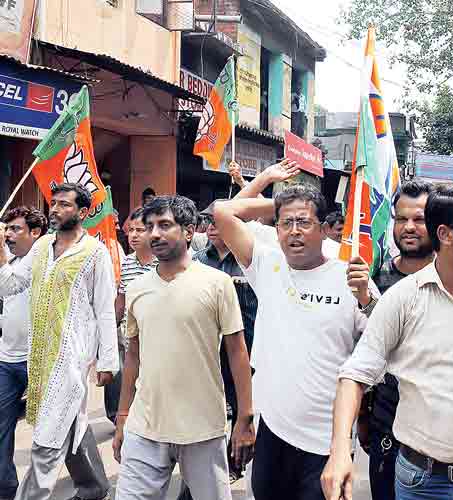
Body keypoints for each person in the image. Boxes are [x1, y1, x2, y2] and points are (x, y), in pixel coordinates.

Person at [321, 184, 453, 500]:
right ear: (446, 235)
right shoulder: (402, 299)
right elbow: (354, 376)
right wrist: (340, 450)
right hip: (420, 483)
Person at [213, 184, 372, 500]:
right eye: (286, 223)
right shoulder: (267, 265)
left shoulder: (351, 276)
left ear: (324, 228)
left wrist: (366, 298)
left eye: (304, 222)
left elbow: (380, 343)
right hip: (273, 430)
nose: (294, 232)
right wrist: (281, 202)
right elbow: (222, 211)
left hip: (328, 440)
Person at [113, 195, 254, 500]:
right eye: (149, 226)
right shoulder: (137, 289)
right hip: (145, 425)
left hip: (202, 427)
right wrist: (123, 415)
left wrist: (244, 417)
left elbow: (237, 352)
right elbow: (133, 357)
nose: (154, 234)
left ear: (189, 231)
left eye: (165, 225)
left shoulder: (217, 284)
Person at [0, 183, 117, 500]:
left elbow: (105, 309)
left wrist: (108, 361)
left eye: (64, 204)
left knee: (46, 441)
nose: (55, 209)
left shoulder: (95, 253)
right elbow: (10, 284)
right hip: (37, 359)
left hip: (70, 362)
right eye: (54, 203)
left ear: (81, 212)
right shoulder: (40, 248)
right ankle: (93, 486)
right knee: (65, 426)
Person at [358, 180, 434, 500]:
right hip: (386, 425)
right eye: (402, 219)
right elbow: (362, 353)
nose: (409, 227)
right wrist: (363, 416)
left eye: (419, 219)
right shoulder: (374, 280)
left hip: (439, 433)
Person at [180, 200, 258, 497]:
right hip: (207, 351)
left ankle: (236, 460)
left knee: (242, 411)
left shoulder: (249, 261)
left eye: (217, 222)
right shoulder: (198, 260)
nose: (210, 228)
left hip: (244, 350)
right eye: (207, 222)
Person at [0, 207, 47, 500]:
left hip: (38, 357)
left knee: (57, 430)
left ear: (35, 233)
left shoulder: (41, 261)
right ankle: (6, 488)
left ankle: (90, 479)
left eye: (16, 229)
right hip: (6, 358)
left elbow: (11, 284)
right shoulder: (7, 259)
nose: (8, 234)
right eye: (7, 229)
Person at [107, 208, 157, 425]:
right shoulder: (126, 263)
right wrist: (107, 333)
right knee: (128, 389)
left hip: (155, 342)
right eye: (130, 230)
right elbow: (121, 300)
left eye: (140, 230)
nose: (133, 235)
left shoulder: (163, 263)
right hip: (130, 342)